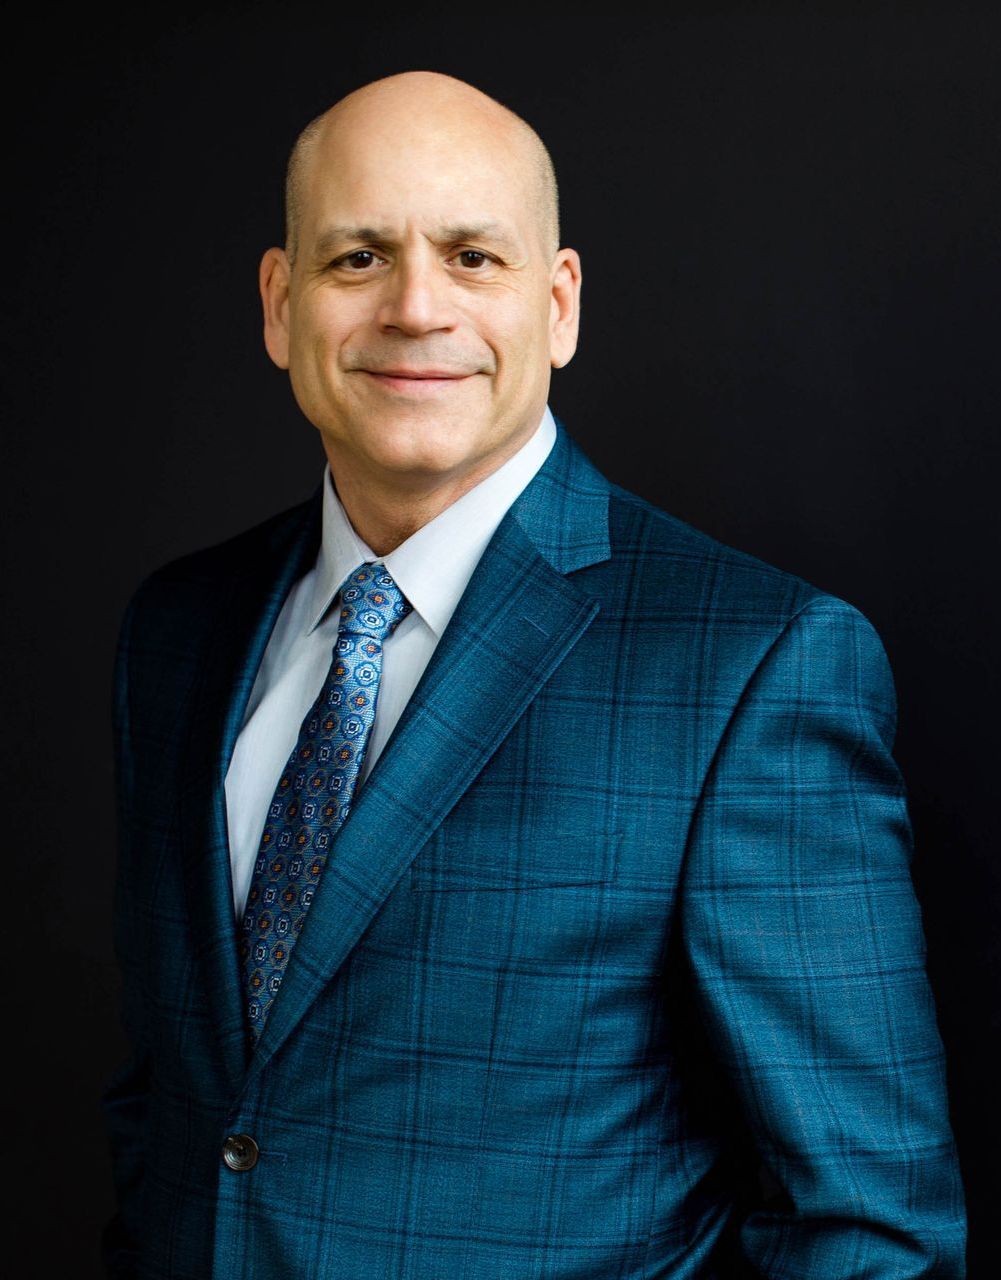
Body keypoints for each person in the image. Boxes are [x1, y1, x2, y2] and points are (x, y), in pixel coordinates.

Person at [103, 71, 966, 1279]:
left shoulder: (752, 664)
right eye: (358, 257)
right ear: (277, 302)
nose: (414, 307)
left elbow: (869, 1225)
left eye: (471, 257)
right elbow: (177, 1119)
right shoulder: (176, 632)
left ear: (557, 306)